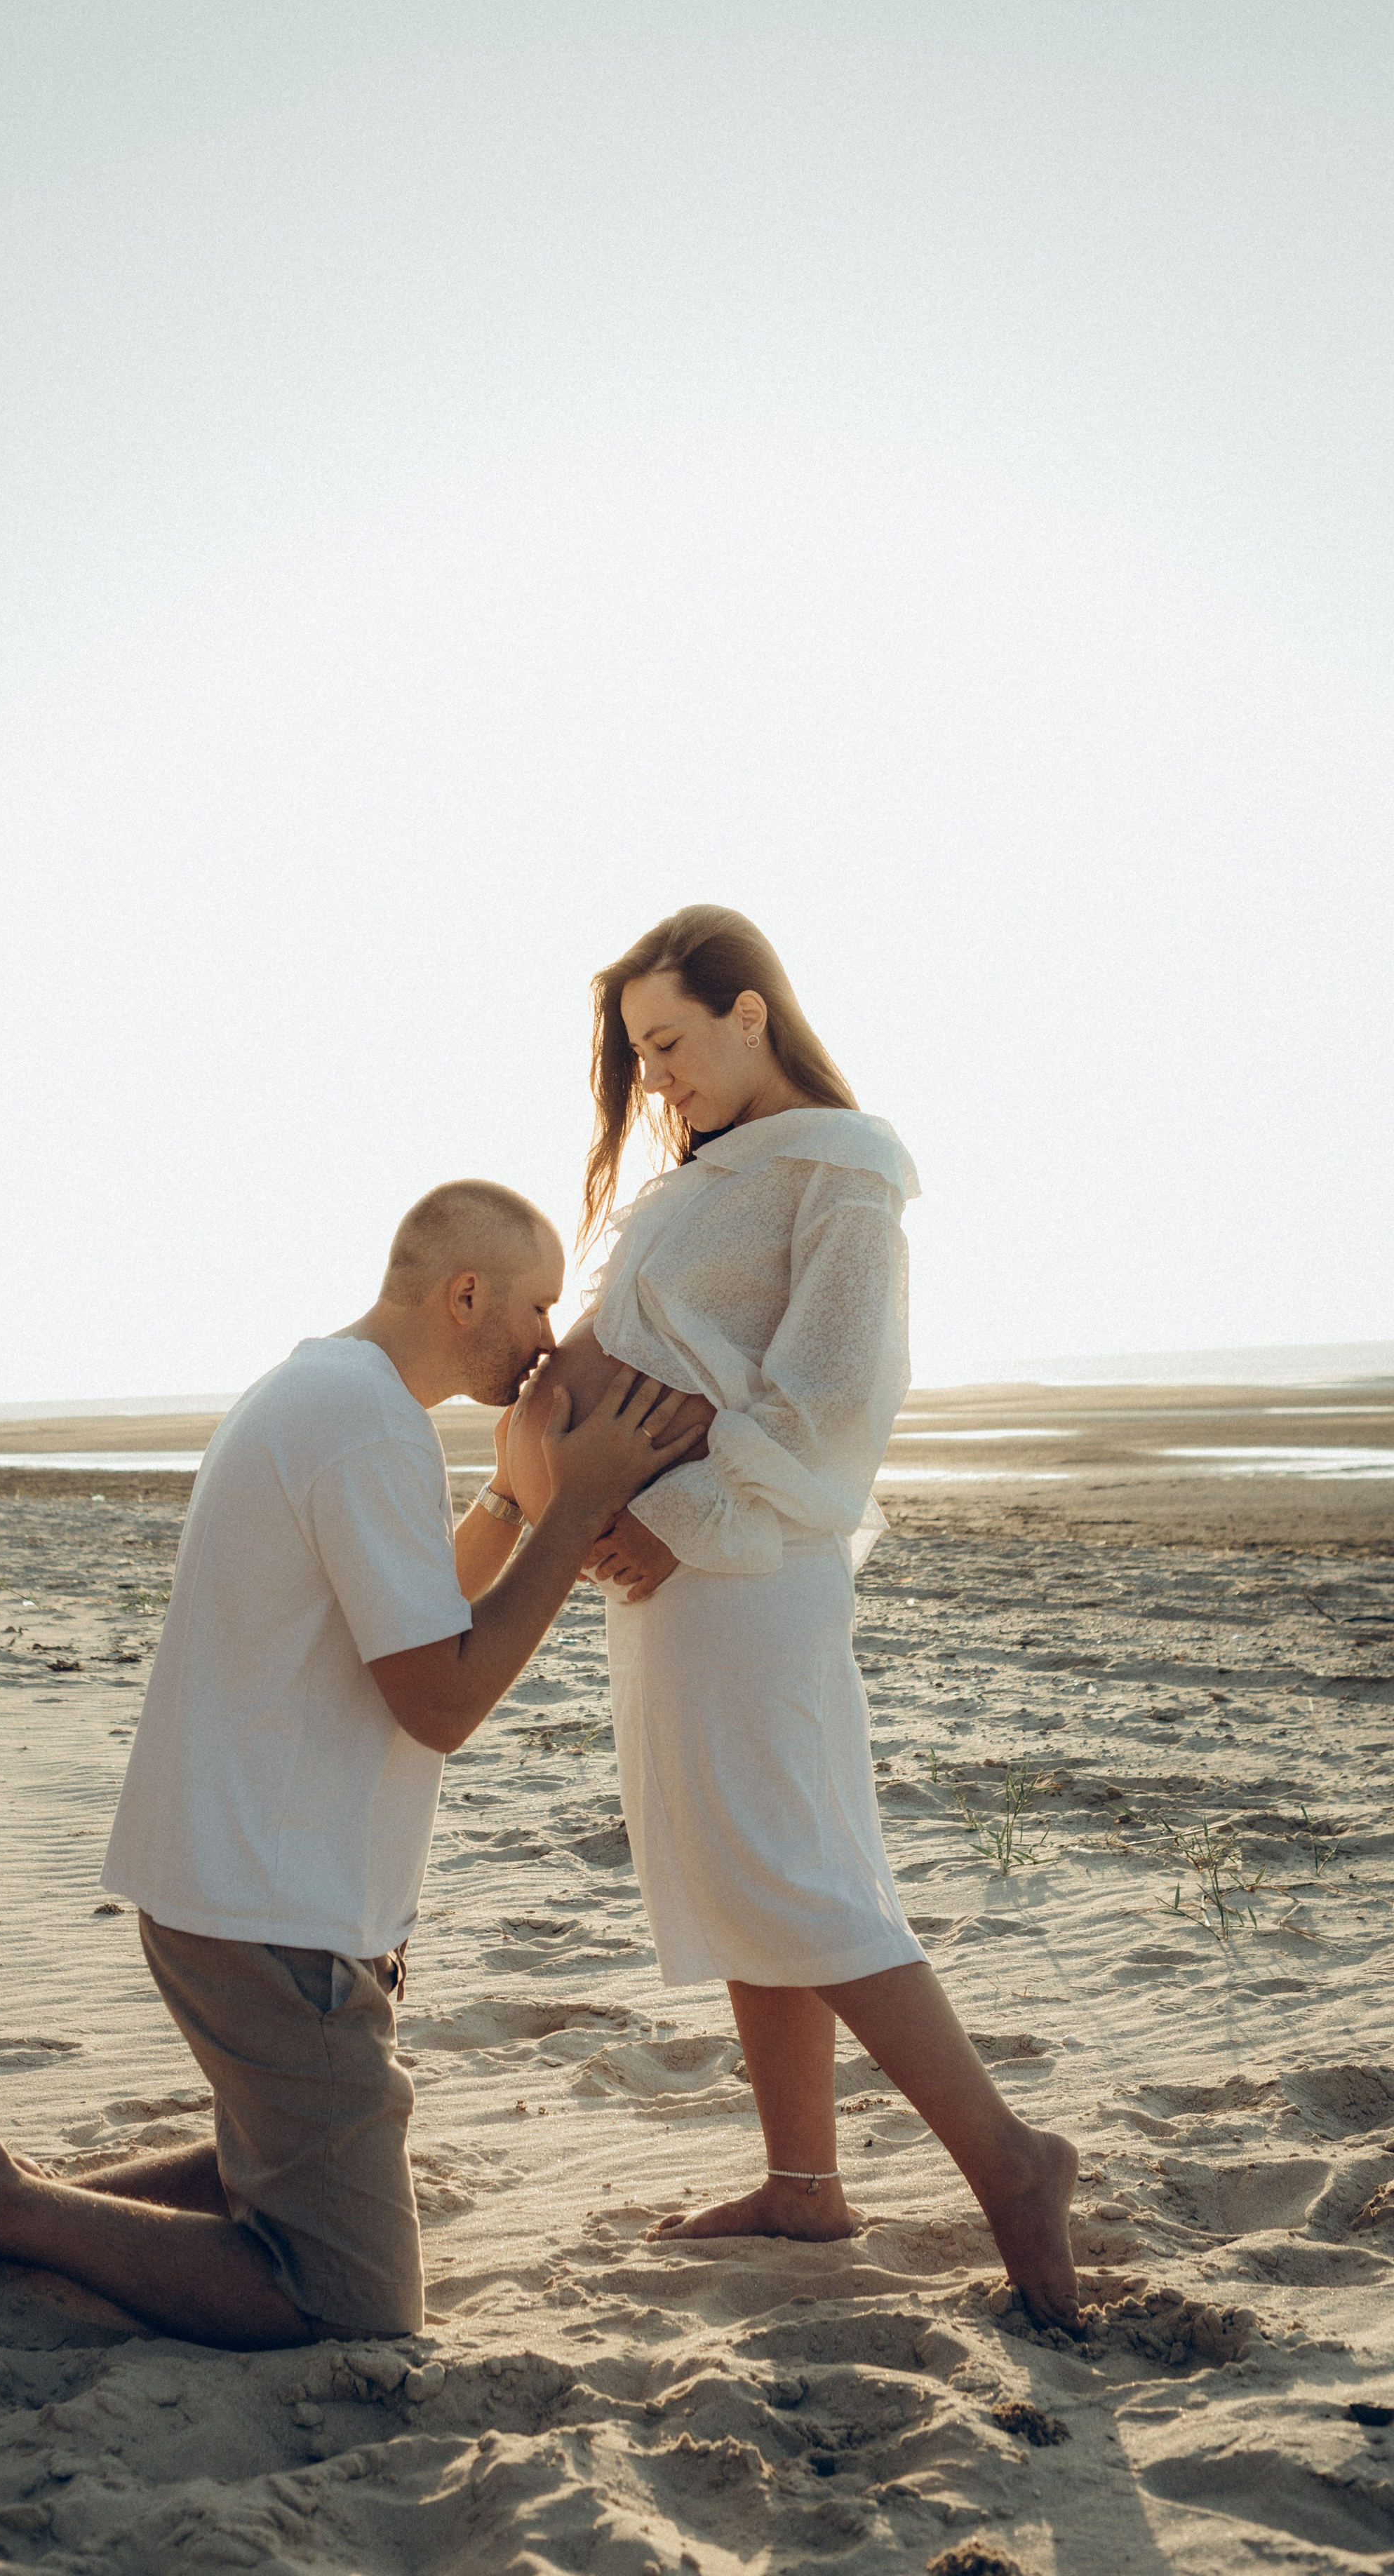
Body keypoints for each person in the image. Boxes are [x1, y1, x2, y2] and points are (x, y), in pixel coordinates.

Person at [0, 1178, 702, 2347]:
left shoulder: (326, 1391)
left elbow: (408, 1602)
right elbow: (439, 1699)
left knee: (297, 2162)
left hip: (239, 1885)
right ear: (465, 1292)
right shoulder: (366, 1424)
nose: (546, 1343)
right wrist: (576, 1501)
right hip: (267, 1912)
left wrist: (509, 1497)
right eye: (537, 1308)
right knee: (347, 2302)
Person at [502, 908, 1080, 2330]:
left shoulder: (838, 1164)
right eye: (636, 1058)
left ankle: (1011, 2164)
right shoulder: (697, 1182)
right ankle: (802, 2184)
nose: (654, 1081)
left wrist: (660, 1512)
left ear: (748, 1012)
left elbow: (832, 1406)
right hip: (667, 1576)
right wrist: (576, 1498)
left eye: (669, 1043)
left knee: (796, 1875)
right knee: (734, 1875)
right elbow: (632, 1373)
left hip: (746, 1569)